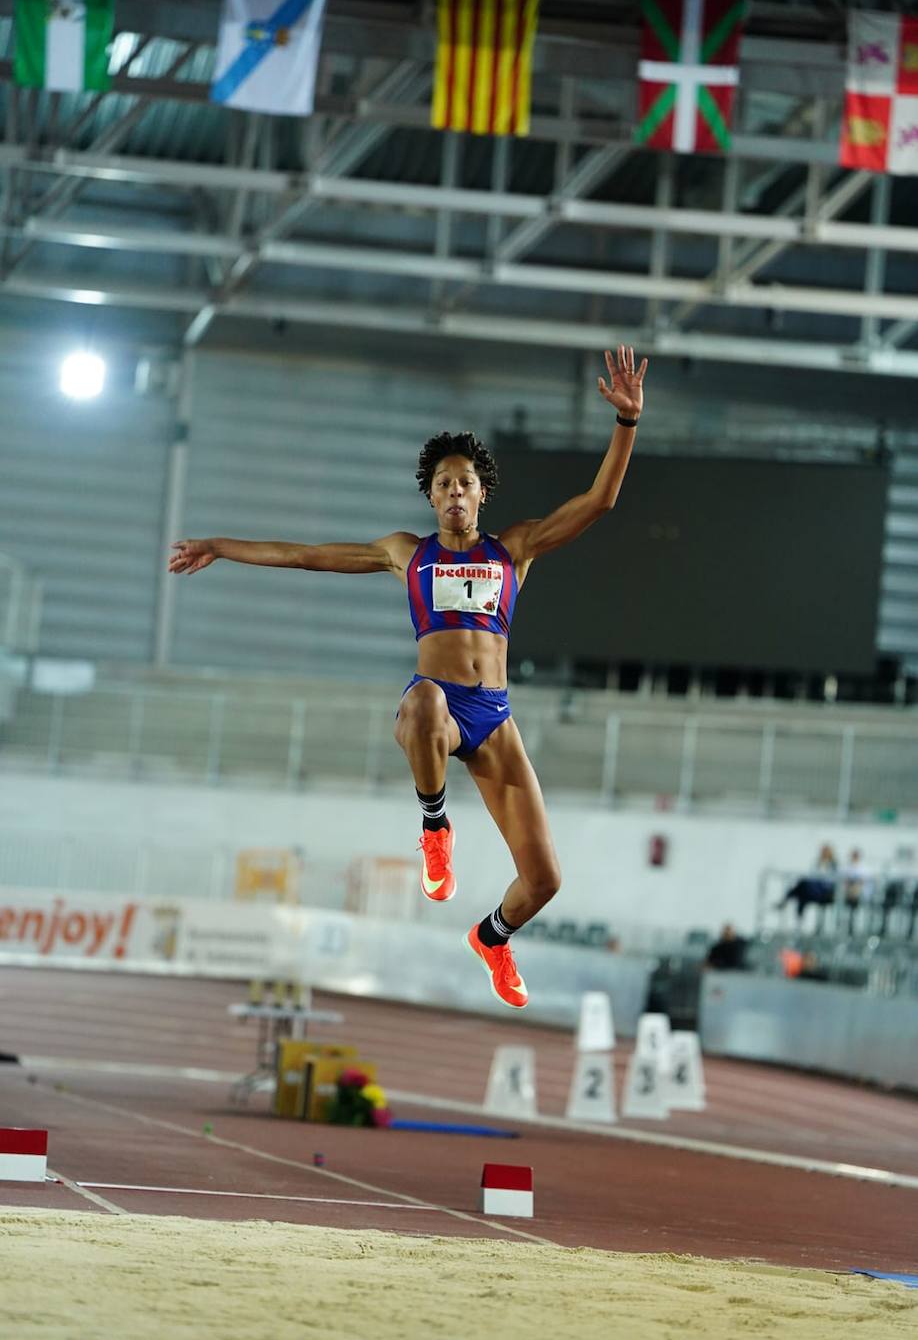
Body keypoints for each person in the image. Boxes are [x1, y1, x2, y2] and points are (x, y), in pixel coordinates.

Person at [169, 345, 648, 1008]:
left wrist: (625, 424)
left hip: (494, 717)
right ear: (431, 495)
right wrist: (220, 546)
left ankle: (491, 938)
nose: (455, 492)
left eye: (466, 483)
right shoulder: (405, 553)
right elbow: (307, 554)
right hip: (438, 710)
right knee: (422, 697)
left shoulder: (515, 548)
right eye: (444, 483)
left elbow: (599, 501)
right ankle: (434, 827)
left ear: (482, 493)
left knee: (543, 881)